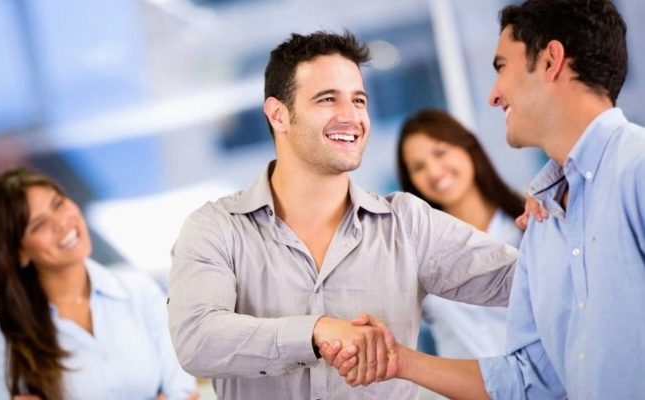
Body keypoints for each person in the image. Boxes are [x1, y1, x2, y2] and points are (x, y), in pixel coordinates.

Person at [167, 30, 517, 400]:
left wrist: (555, 218)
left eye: (358, 100)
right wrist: (315, 331)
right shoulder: (215, 228)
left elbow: (520, 279)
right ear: (278, 115)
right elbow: (196, 339)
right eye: (327, 99)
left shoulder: (407, 224)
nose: (351, 116)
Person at [321, 1, 645, 399]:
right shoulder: (545, 223)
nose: (493, 96)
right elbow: (530, 378)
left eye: (501, 67)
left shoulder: (637, 169)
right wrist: (400, 361)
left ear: (550, 62)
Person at [0, 166, 198, 400]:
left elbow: (184, 393)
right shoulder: (2, 333)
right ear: (20, 253)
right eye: (39, 225)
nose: (62, 224)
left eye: (58, 204)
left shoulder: (139, 292)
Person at [397, 109, 525, 359]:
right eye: (418, 167)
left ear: (467, 147)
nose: (434, 172)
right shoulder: (416, 252)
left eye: (440, 153)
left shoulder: (528, 222)